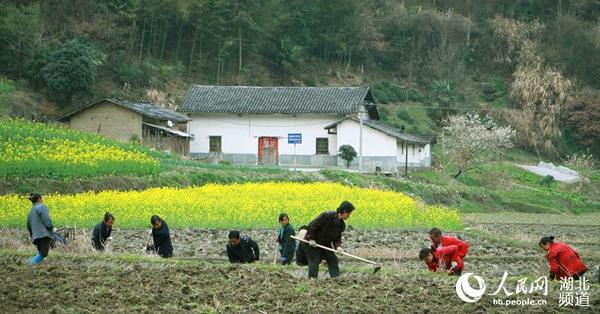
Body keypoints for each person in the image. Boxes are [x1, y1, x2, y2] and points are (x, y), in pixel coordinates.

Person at [303, 200, 355, 279]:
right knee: (314, 260)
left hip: (325, 244)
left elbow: (337, 238)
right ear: (344, 211)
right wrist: (311, 239)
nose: (349, 215)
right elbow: (312, 225)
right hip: (312, 243)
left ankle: (336, 279)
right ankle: (312, 280)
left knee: (332, 259)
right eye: (349, 213)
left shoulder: (342, 225)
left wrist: (338, 247)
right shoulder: (326, 216)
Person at [26, 193, 54, 266]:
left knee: (41, 252)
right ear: (39, 199)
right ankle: (32, 263)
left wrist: (32, 233)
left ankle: (38, 265)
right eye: (41, 198)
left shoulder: (31, 210)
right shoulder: (41, 207)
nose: (42, 200)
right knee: (44, 252)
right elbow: (47, 220)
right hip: (43, 234)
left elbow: (28, 225)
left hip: (35, 235)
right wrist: (51, 228)